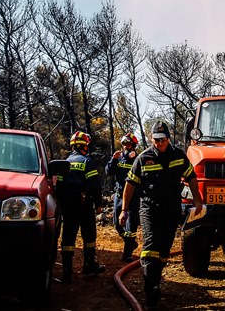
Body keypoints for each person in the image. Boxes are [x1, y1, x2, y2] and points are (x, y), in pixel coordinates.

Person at [119, 121, 203, 309]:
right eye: (156, 140)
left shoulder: (178, 156)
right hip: (149, 208)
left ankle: (155, 277)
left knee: (164, 248)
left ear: (168, 138)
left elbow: (191, 177)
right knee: (150, 245)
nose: (160, 143)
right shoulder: (143, 158)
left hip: (171, 208)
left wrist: (197, 199)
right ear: (151, 139)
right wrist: (124, 210)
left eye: (163, 139)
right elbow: (130, 184)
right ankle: (151, 287)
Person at [56, 130, 106, 283]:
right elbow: (94, 185)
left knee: (68, 238)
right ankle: (89, 265)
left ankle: (67, 271)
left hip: (68, 207)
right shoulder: (87, 162)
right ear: (85, 146)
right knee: (89, 236)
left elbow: (58, 186)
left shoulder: (64, 163)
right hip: (84, 206)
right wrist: (99, 204)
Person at [106, 132, 142, 262]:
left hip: (133, 195)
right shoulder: (119, 158)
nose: (126, 147)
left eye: (128, 144)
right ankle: (130, 242)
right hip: (119, 194)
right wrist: (113, 159)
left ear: (134, 146)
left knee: (131, 226)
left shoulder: (138, 159)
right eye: (124, 144)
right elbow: (109, 172)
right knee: (117, 224)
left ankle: (127, 254)